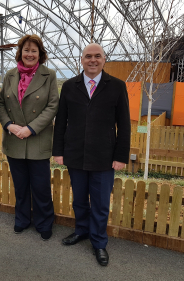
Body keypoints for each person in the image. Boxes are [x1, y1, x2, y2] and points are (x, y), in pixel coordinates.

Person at [52, 43, 130, 266]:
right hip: (75, 154)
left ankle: (99, 242)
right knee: (79, 200)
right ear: (81, 60)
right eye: (88, 56)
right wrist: (59, 151)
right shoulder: (69, 86)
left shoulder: (116, 86)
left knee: (100, 203)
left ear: (104, 59)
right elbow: (61, 122)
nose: (93, 60)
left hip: (104, 157)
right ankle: (82, 231)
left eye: (97, 56)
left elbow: (124, 125)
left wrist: (121, 155)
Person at [0, 34, 59, 241]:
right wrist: (9, 125)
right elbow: (0, 104)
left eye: (34, 51)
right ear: (20, 53)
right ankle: (22, 219)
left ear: (40, 54)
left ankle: (44, 222)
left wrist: (31, 128)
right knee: (21, 185)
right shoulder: (10, 75)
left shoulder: (49, 75)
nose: (30, 54)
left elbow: (52, 106)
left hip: (37, 140)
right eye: (26, 50)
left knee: (40, 187)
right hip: (14, 140)